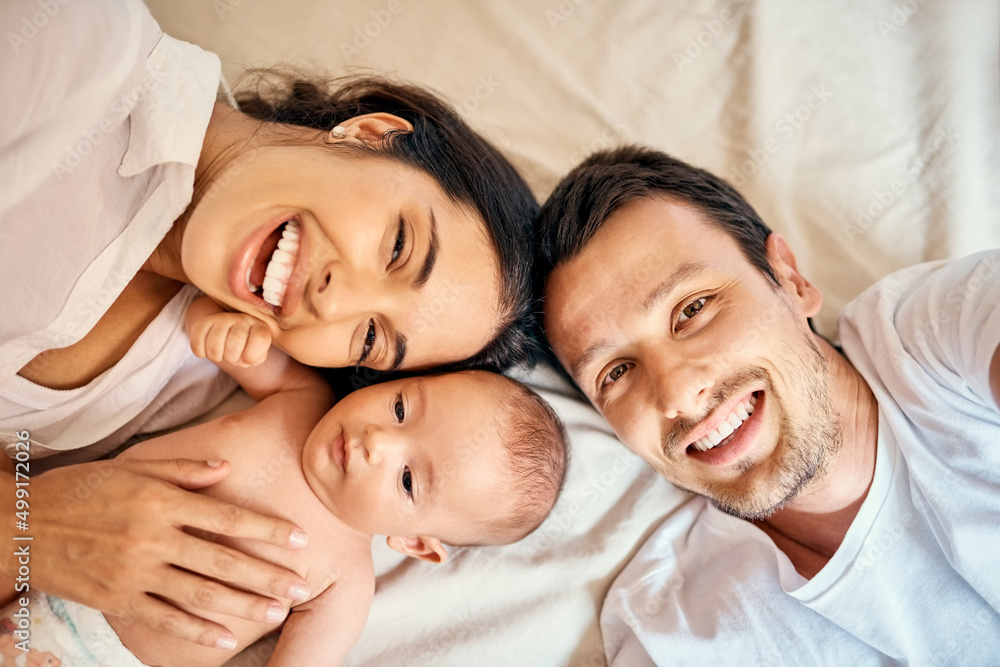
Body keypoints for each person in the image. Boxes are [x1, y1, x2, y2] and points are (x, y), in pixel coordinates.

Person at [0, 0, 539, 650]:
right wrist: (30, 530)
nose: (335, 299)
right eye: (397, 247)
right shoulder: (71, 51)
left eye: (370, 337)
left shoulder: (193, 388)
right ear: (370, 133)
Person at [534, 146, 1000, 663]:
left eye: (692, 309)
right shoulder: (677, 635)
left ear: (790, 280)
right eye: (616, 373)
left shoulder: (948, 328)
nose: (677, 394)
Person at [0, 299, 567, 665]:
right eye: (399, 408)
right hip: (40, 533)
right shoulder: (302, 399)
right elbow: (207, 324)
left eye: (409, 479)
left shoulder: (345, 584)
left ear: (416, 543)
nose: (377, 442)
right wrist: (220, 328)